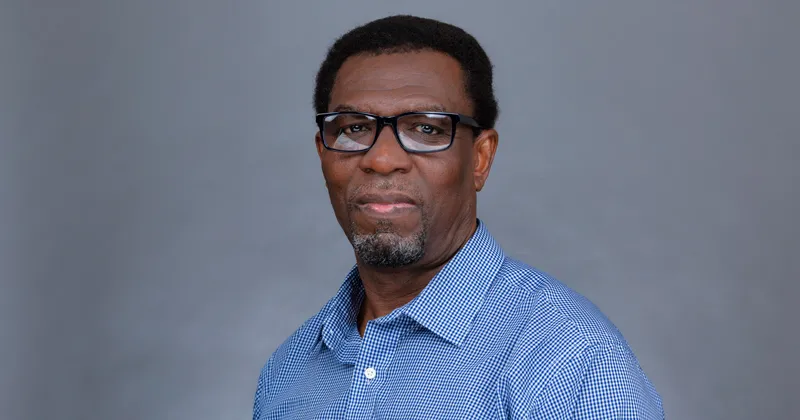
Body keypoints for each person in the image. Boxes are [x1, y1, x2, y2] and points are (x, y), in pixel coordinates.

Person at [252, 15, 664, 419]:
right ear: (323, 153)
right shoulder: (289, 370)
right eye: (354, 128)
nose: (381, 159)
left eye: (425, 129)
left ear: (480, 159)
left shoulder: (570, 359)